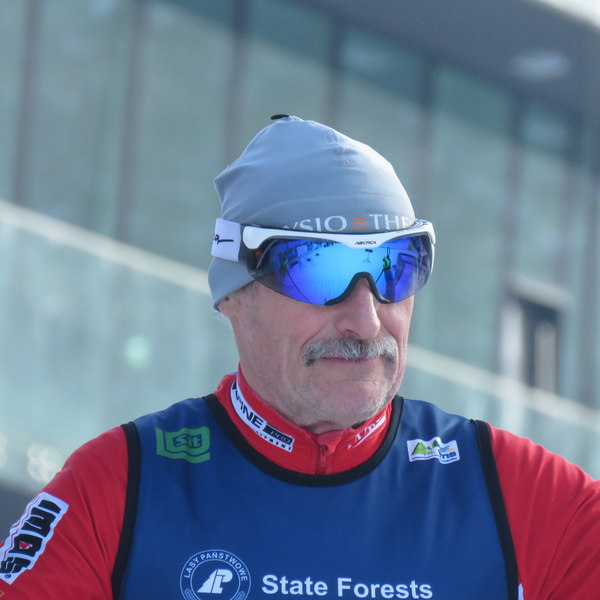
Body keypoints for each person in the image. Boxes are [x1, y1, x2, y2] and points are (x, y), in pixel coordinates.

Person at [1, 115, 599, 600]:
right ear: (234, 295)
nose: (366, 320)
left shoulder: (527, 499)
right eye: (319, 271)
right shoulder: (119, 486)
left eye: (394, 267)